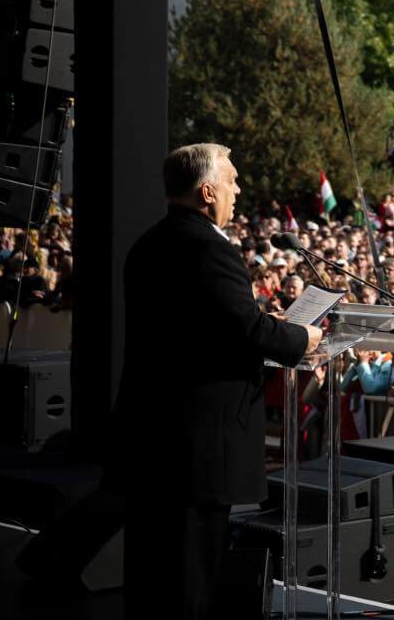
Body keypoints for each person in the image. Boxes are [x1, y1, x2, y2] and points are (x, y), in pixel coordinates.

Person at [111, 144, 322, 620]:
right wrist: (302, 336)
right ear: (207, 191)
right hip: (195, 451)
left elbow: (200, 328)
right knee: (189, 580)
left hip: (151, 440)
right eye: (231, 180)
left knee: (149, 575)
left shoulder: (149, 243)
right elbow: (247, 331)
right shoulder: (209, 248)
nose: (238, 189)